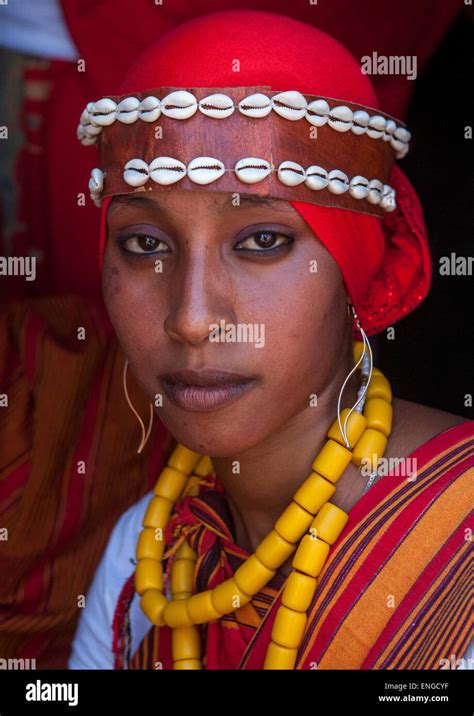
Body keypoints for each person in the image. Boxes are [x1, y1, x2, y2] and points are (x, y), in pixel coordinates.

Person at [67, 11, 473, 670]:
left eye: (263, 240)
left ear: (363, 265)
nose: (193, 319)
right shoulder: (142, 557)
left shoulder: (461, 545)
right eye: (145, 245)